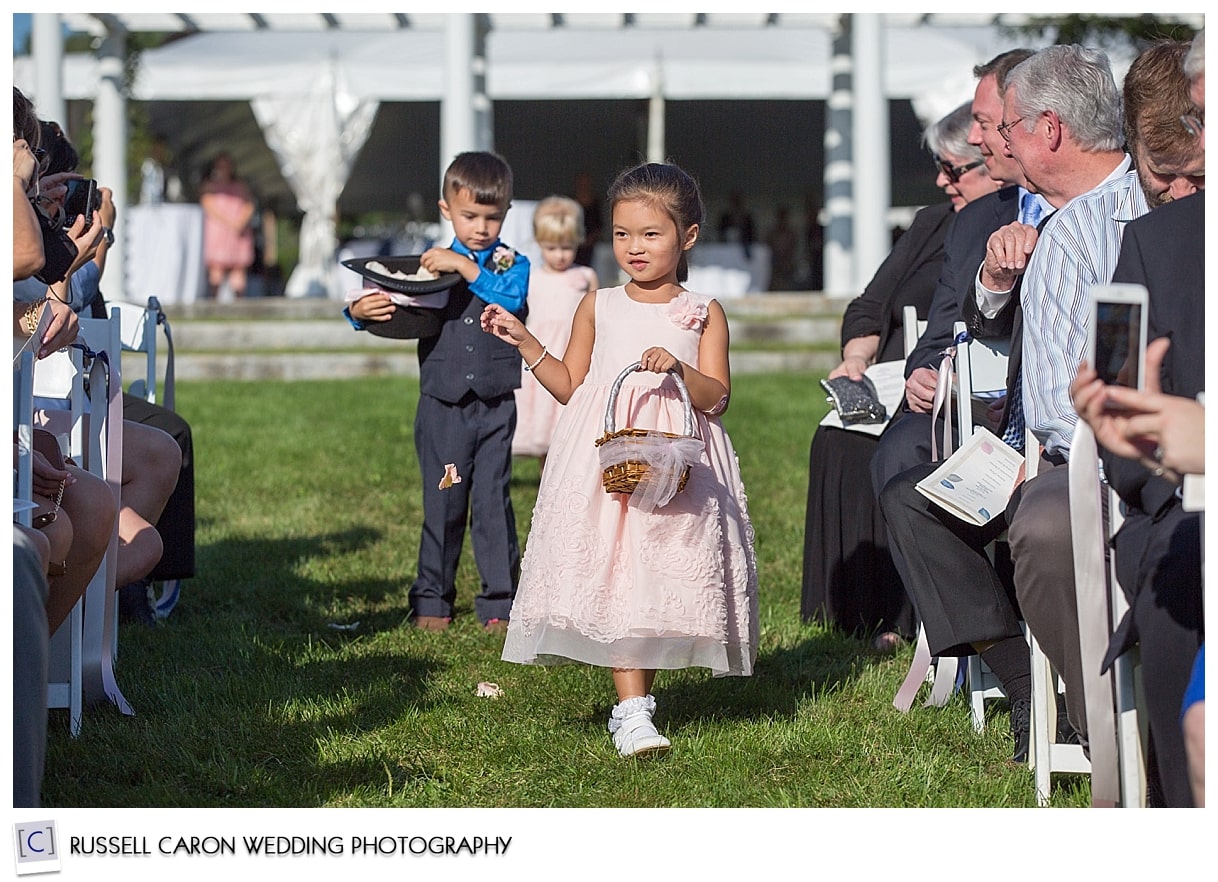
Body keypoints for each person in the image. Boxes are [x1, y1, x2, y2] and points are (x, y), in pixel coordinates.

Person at [879, 44, 1149, 762]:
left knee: (1016, 513)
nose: (989, 141)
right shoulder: (1037, 217)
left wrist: (1051, 456)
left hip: (1079, 450)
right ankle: (1028, 685)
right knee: (912, 494)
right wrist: (996, 283)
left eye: (1008, 126)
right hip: (1025, 439)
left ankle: (1084, 712)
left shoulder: (1137, 212)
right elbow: (982, 322)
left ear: (1050, 130)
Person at [480, 161, 758, 758]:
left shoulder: (703, 310)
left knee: (656, 571)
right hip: (604, 458)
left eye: (651, 234)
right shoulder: (597, 304)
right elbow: (569, 383)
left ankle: (637, 704)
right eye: (622, 233)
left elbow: (720, 397)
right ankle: (631, 711)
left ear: (687, 237)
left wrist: (681, 369)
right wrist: (526, 340)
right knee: (617, 573)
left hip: (678, 459)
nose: (634, 247)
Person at [801, 100, 1001, 651]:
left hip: (946, 382)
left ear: (990, 161)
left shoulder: (1008, 223)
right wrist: (856, 360)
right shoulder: (932, 222)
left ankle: (903, 614)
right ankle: (850, 610)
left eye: (953, 170)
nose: (942, 181)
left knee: (884, 447)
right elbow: (870, 303)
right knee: (836, 434)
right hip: (891, 369)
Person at [1066, 30, 1205, 807]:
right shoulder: (1154, 245)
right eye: (1199, 119)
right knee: (1178, 570)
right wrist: (1143, 441)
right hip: (1188, 522)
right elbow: (1121, 445)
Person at [345, 151, 530, 633]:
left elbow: (510, 297)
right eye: (470, 216)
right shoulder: (427, 264)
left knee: (492, 501)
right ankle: (431, 599)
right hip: (443, 406)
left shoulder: (511, 262)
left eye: (493, 217)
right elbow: (396, 303)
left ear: (506, 213)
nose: (482, 228)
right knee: (444, 500)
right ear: (447, 209)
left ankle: (500, 602)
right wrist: (359, 314)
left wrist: (467, 268)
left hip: (494, 405)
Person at [15, 120, 184, 615]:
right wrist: (82, 247)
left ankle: (66, 646)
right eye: (27, 162)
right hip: (43, 415)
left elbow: (39, 323)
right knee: (66, 525)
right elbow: (39, 297)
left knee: (162, 460)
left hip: (41, 413)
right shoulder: (21, 228)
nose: (34, 177)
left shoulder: (26, 221)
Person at [511, 195, 598, 470]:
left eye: (567, 247)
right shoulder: (532, 278)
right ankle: (545, 473)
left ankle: (571, 474)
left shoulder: (585, 275)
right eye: (552, 247)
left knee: (573, 417)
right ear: (538, 242)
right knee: (544, 414)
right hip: (543, 354)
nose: (560, 255)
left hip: (573, 352)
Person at [200, 151, 256, 299]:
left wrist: (240, 223)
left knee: (238, 271)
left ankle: (239, 304)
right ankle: (213, 305)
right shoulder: (210, 186)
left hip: (238, 233)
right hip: (219, 234)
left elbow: (249, 205)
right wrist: (230, 223)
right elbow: (208, 205)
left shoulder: (240, 186)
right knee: (216, 271)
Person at [764, 205, 799, 291]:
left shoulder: (791, 233)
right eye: (781, 217)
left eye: (784, 217)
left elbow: (793, 247)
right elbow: (767, 248)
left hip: (787, 264)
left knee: (788, 288)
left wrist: (786, 260)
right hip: (775, 264)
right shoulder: (772, 233)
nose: (783, 220)